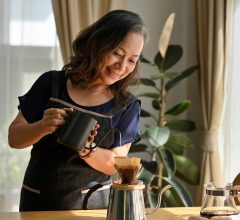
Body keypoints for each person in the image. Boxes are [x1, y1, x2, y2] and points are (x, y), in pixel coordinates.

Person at [8, 9, 148, 211]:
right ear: (99, 44)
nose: (122, 66)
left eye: (132, 60)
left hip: (92, 208)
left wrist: (85, 147)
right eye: (117, 53)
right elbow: (14, 137)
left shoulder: (126, 105)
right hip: (37, 203)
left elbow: (114, 164)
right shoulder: (51, 83)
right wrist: (41, 127)